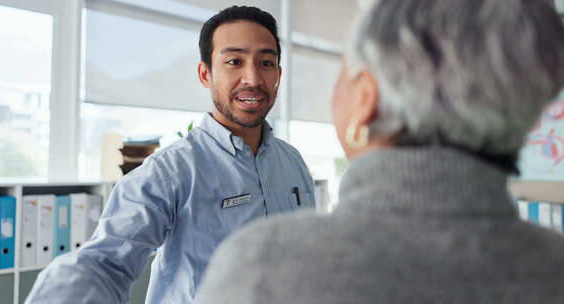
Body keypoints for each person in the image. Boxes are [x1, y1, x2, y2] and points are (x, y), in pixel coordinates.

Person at [194, 0, 564, 303]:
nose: (255, 79)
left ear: (366, 99)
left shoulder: (263, 266)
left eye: (342, 73)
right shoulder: (553, 265)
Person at [26, 6, 315, 304]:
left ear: (278, 73)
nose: (253, 78)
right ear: (205, 73)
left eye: (266, 62)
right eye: (234, 61)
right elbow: (104, 264)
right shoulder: (169, 171)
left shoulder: (293, 163)